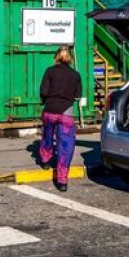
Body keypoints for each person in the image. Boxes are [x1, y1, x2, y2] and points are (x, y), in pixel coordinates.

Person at [37, 45, 82, 192]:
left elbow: (43, 91)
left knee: (47, 136)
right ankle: (62, 181)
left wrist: (46, 100)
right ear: (70, 57)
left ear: (57, 56)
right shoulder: (75, 75)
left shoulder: (50, 71)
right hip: (66, 113)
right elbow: (77, 95)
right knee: (65, 147)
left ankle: (45, 160)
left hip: (50, 110)